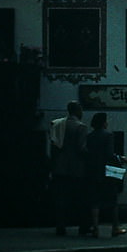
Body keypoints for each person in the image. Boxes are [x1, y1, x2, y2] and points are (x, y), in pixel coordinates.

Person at [85, 112, 127, 238]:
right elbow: (109, 154)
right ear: (103, 122)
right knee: (112, 200)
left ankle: (95, 228)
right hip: (107, 172)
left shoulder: (90, 136)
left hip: (93, 172)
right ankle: (115, 227)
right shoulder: (108, 135)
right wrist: (120, 158)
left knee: (95, 201)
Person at [50, 101, 89, 236]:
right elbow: (81, 148)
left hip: (59, 168)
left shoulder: (58, 124)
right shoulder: (81, 127)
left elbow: (54, 146)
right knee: (80, 199)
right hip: (76, 169)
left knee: (61, 199)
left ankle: (60, 226)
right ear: (78, 111)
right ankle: (82, 227)